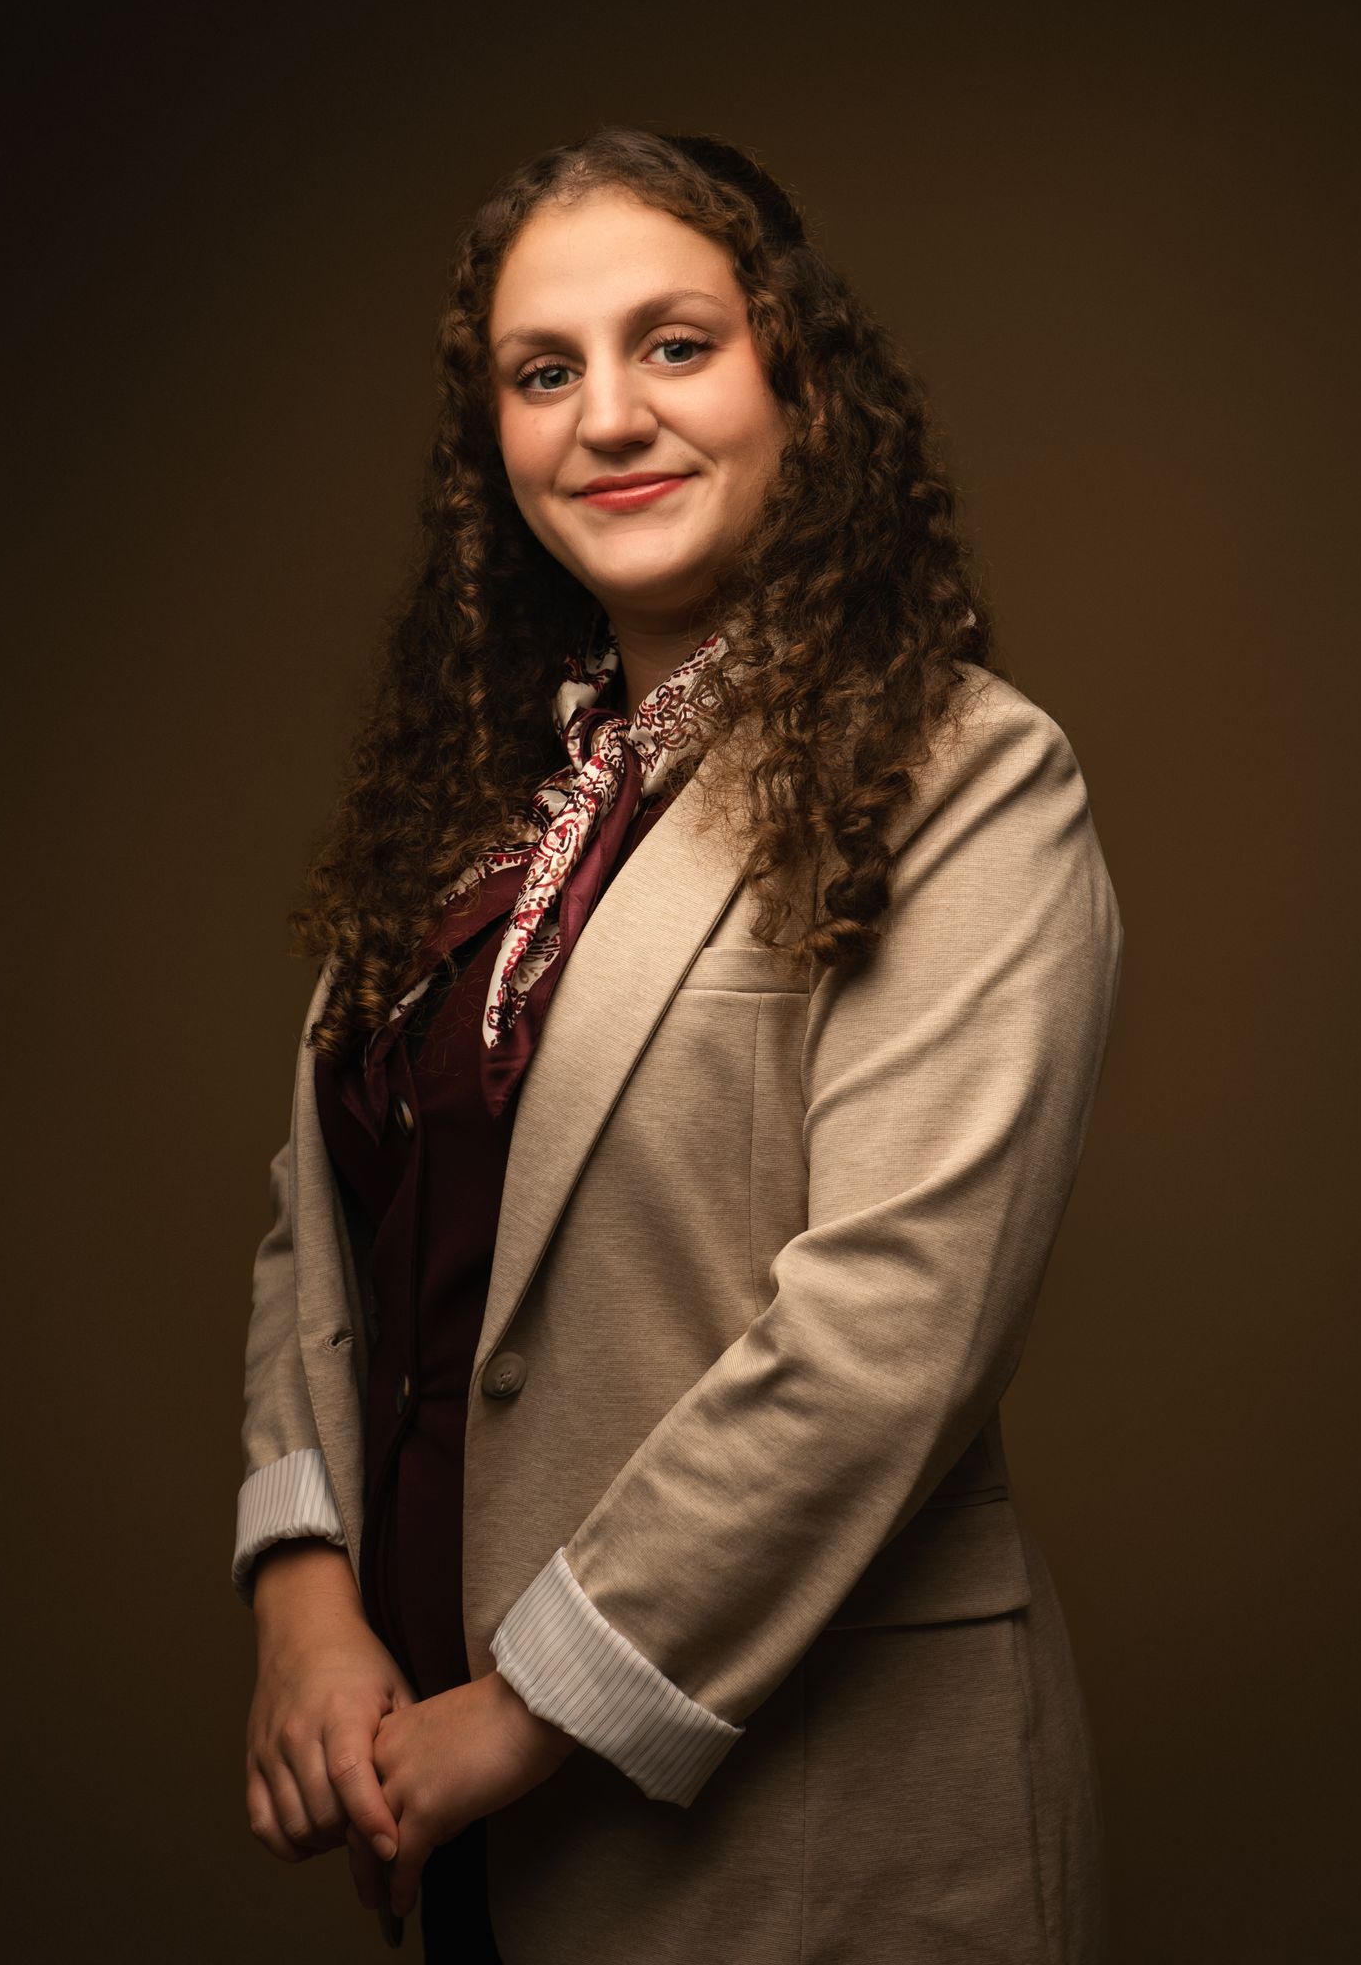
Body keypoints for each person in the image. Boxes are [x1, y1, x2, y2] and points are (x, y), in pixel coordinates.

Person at [233, 125, 1125, 1964]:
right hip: (457, 1815)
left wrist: (523, 1710)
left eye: (675, 345)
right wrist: (302, 1587)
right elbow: (322, 1225)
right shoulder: (482, 809)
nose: (610, 417)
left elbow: (888, 1330)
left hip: (810, 1815)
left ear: (800, 380)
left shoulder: (967, 775)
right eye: (543, 372)